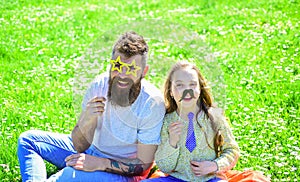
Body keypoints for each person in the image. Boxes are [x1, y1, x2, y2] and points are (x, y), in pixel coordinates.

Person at [17, 31, 166, 182]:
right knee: (28, 140)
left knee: (67, 175)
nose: (122, 75)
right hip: (92, 151)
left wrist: (100, 163)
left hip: (122, 174)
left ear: (144, 72)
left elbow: (143, 166)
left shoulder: (152, 103)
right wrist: (87, 120)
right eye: (117, 65)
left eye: (132, 69)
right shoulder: (99, 85)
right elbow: (78, 145)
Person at [142, 61, 240, 182]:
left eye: (192, 84)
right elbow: (165, 167)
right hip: (176, 179)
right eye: (179, 85)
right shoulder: (166, 121)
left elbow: (232, 150)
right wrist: (172, 143)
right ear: (171, 91)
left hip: (209, 179)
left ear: (200, 88)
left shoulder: (214, 117)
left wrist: (214, 165)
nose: (187, 90)